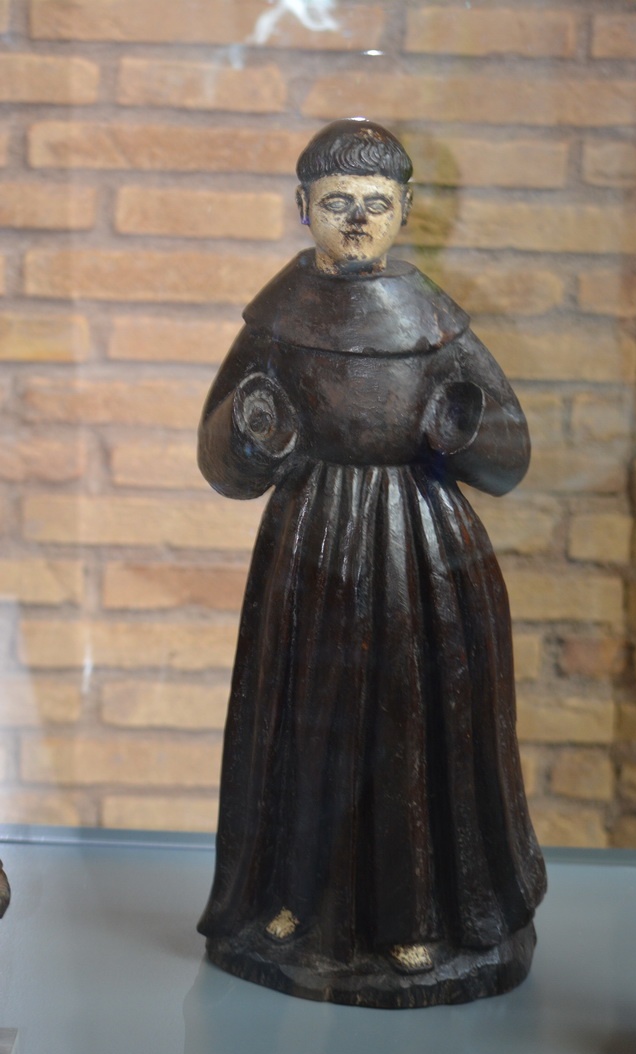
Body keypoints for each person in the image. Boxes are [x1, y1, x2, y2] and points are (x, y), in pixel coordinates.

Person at [196, 120, 546, 1006]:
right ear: (302, 206)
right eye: (338, 202)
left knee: (413, 731)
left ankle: (414, 917)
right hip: (310, 549)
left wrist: (460, 428)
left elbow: (507, 456)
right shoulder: (277, 324)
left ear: (408, 210)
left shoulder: (435, 322)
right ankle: (292, 901)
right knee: (305, 725)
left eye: (376, 204)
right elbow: (223, 462)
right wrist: (255, 431)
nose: (357, 220)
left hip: (420, 552)